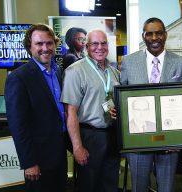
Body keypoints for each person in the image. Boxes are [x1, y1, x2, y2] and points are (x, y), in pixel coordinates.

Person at [120, 17, 182, 192]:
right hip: (137, 141)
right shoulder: (129, 62)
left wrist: (178, 139)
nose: (154, 38)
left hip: (169, 142)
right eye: (149, 34)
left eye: (158, 33)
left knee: (166, 188)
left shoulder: (181, 63)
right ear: (143, 36)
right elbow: (123, 98)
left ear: (165, 35)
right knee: (139, 188)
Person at [4, 23, 67, 192]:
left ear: (55, 44)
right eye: (39, 44)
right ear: (29, 47)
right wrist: (29, 162)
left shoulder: (59, 72)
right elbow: (18, 126)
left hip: (60, 155)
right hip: (37, 161)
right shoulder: (19, 78)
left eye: (49, 43)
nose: (45, 48)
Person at [61, 29, 120, 192]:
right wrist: (77, 147)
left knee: (110, 185)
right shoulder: (75, 71)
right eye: (94, 43)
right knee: (89, 185)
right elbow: (70, 112)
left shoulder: (114, 72)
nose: (99, 47)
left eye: (103, 43)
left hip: (112, 137)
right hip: (89, 137)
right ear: (86, 46)